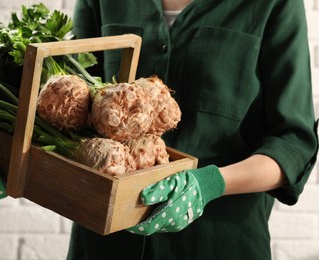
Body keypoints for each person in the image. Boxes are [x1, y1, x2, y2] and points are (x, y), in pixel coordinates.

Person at [67, 0, 319, 259]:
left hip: (218, 242)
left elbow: (294, 142)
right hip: (104, 242)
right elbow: (74, 107)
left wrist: (210, 183)